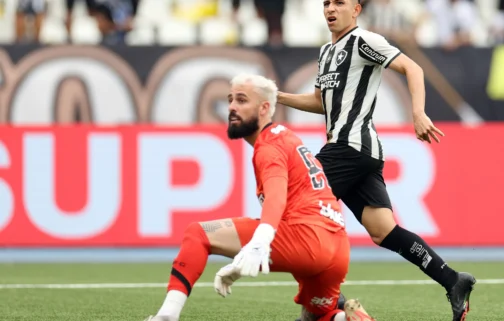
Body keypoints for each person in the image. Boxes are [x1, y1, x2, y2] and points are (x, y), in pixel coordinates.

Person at [277, 1, 476, 321]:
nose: (330, 8)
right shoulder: (326, 52)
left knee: (295, 210)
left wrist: (418, 112)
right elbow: (320, 102)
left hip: (348, 148)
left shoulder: (364, 40)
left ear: (356, 9)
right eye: (326, 3)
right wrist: (279, 97)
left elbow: (414, 68)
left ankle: (329, 302)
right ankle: (453, 280)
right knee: (383, 230)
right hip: (363, 154)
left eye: (339, 3)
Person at [144, 74, 375, 321]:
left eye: (242, 100)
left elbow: (276, 198)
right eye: (230, 99)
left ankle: (166, 316)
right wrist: (240, 262)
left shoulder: (269, 146)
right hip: (337, 245)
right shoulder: (284, 137)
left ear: (265, 107)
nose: (232, 107)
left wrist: (259, 242)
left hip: (308, 238)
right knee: (320, 317)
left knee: (197, 233)